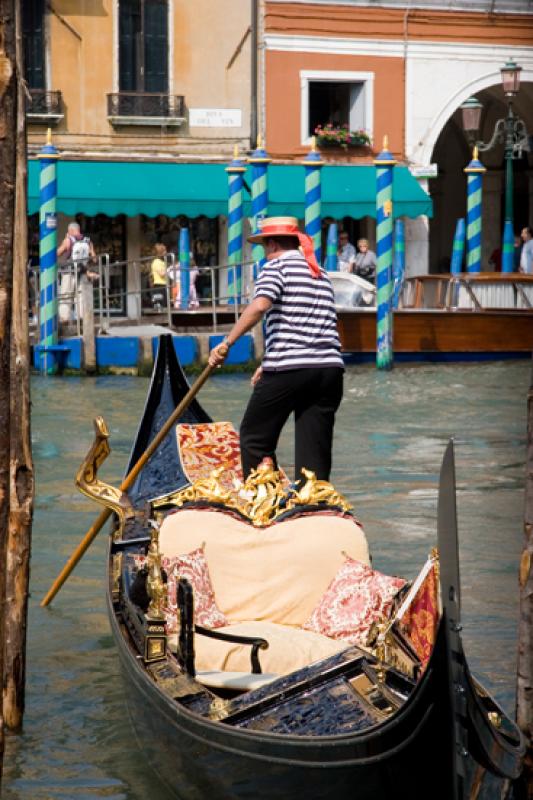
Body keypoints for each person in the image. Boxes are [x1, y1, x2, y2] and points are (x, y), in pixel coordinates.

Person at [208, 216, 344, 484]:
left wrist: (227, 343)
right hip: (330, 370)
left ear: (270, 244)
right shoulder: (320, 272)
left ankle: (263, 501)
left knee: (254, 437)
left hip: (290, 369)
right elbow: (314, 322)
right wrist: (267, 362)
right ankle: (313, 503)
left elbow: (259, 306)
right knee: (313, 445)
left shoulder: (276, 267)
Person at [57, 221, 97, 322]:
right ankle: (82, 318)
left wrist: (65, 240)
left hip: (69, 272)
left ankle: (64, 318)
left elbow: (57, 253)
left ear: (70, 230)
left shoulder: (68, 240)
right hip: (82, 272)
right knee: (81, 296)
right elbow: (94, 259)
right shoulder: (88, 241)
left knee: (66, 295)